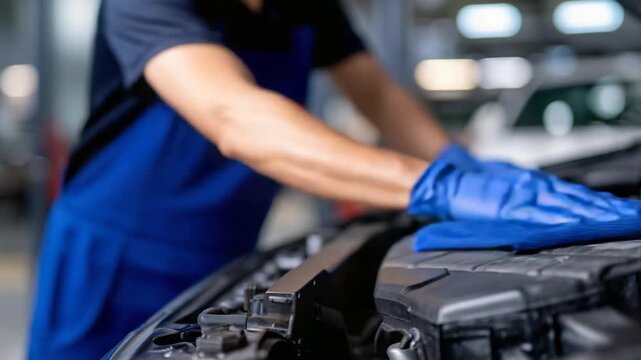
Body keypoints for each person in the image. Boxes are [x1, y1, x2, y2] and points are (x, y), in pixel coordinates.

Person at [27, 0, 637, 359]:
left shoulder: (308, 3)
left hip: (228, 248)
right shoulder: (151, 4)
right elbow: (237, 119)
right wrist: (438, 184)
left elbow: (376, 92)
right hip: (111, 257)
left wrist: (467, 167)